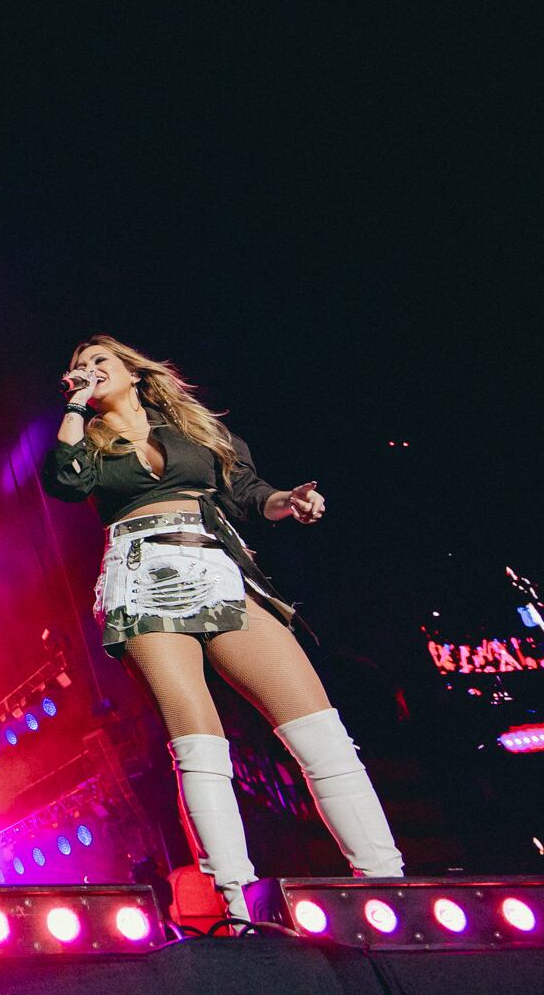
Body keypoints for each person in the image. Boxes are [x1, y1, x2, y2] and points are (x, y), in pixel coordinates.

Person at [41, 336, 403, 923]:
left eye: (98, 363)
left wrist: (288, 502)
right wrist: (77, 407)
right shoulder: (87, 437)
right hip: (140, 573)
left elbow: (247, 492)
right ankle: (238, 906)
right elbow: (64, 482)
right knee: (200, 741)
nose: (84, 371)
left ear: (134, 373)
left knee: (318, 728)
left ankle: (386, 881)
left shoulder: (192, 429)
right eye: (77, 366)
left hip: (217, 565)